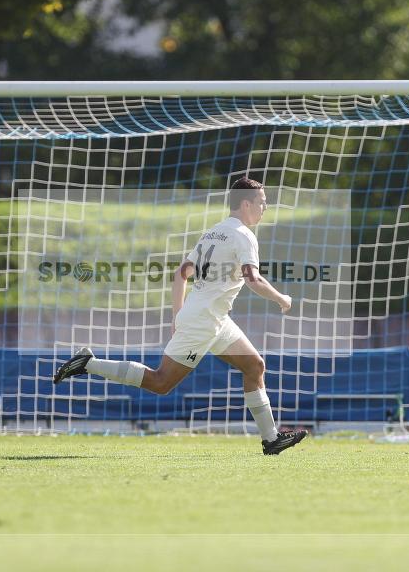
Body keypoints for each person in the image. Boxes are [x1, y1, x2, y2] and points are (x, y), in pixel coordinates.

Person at [54, 177, 307, 455]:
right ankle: (88, 363)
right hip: (204, 321)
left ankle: (271, 439)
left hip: (212, 318)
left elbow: (181, 274)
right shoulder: (244, 235)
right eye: (262, 202)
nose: (265, 208)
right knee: (161, 382)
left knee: (254, 366)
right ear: (246, 203)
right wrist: (282, 299)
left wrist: (177, 315)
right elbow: (252, 279)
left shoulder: (214, 231)